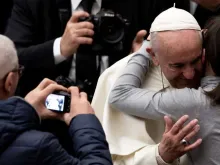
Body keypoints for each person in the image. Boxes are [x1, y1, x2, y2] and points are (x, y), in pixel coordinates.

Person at [4, 0, 190, 101]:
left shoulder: (139, 4)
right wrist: (60, 47)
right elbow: (12, 58)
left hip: (117, 106)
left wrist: (140, 59)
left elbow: (173, 54)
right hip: (49, 109)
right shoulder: (33, 3)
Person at [92, 7, 202, 165]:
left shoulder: (211, 63)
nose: (190, 74)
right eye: (178, 65)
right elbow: (109, 159)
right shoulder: (114, 78)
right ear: (153, 55)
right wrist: (160, 155)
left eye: (195, 61)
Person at [0, 35, 113, 165]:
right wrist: (84, 121)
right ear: (10, 81)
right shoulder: (39, 147)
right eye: (19, 70)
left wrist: (25, 111)